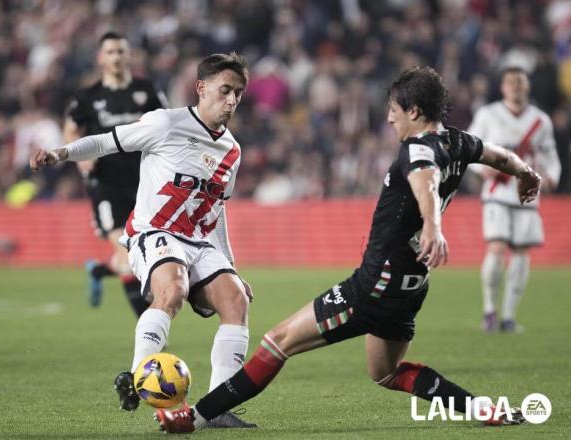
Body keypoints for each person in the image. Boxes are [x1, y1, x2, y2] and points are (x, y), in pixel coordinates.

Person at [154, 66, 540, 433]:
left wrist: (434, 229)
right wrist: (526, 173)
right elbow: (499, 156)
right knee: (386, 372)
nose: (389, 119)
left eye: (393, 110)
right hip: (410, 289)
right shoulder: (458, 141)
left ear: (414, 111)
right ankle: (484, 409)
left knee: (277, 341)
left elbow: (426, 179)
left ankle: (194, 417)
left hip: (373, 287)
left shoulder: (417, 150)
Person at [30, 52, 256, 428]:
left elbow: (218, 213)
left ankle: (218, 409)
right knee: (173, 289)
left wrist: (230, 267)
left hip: (199, 241)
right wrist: (61, 153)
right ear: (201, 88)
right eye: (225, 90)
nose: (232, 100)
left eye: (239, 94)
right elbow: (106, 142)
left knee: (236, 298)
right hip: (154, 232)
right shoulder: (165, 123)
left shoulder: (231, 150)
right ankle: (139, 379)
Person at [64, 31, 167, 313]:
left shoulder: (147, 90)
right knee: (126, 254)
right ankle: (150, 337)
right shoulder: (88, 96)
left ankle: (99, 270)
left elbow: (167, 125)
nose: (116, 57)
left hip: (144, 181)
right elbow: (72, 127)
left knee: (140, 254)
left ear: (129, 55)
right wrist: (80, 157)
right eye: (110, 52)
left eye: (121, 51)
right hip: (105, 183)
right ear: (100, 58)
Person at [468, 66, 560, 333]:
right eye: (511, 83)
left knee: (521, 253)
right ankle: (489, 311)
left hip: (527, 194)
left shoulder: (540, 120)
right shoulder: (488, 115)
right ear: (503, 87)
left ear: (527, 87)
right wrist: (479, 168)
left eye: (520, 83)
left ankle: (508, 316)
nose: (516, 87)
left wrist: (552, 175)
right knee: (496, 249)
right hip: (497, 192)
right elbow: (471, 147)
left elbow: (549, 153)